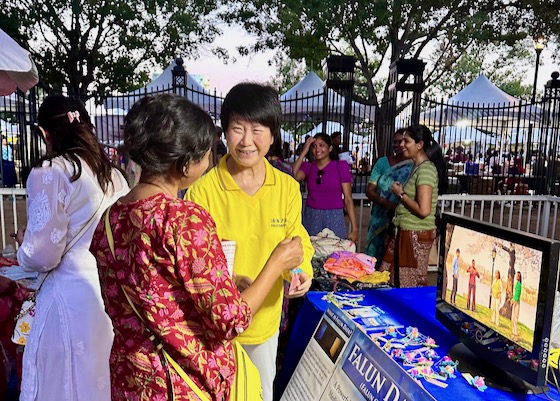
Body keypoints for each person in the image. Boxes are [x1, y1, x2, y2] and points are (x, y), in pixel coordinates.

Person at [90, 94, 304, 401]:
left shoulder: (112, 217)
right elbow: (231, 319)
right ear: (185, 163)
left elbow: (156, 292)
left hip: (132, 376)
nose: (210, 160)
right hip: (180, 383)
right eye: (206, 153)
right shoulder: (182, 219)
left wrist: (228, 283)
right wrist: (276, 263)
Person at [186, 83, 314, 401]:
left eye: (257, 130)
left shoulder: (285, 187)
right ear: (224, 133)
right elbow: (194, 263)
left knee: (259, 393)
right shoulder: (202, 192)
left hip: (264, 324)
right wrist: (229, 280)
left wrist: (301, 271)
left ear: (272, 135)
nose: (246, 141)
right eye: (237, 129)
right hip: (215, 330)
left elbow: (296, 239)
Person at [15, 95, 130, 401]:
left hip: (68, 291)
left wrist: (21, 250)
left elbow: (42, 254)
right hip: (109, 292)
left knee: (66, 383)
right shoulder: (115, 177)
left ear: (44, 133)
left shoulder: (51, 173)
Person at [381, 124, 447, 288]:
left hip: (415, 233)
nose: (402, 145)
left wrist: (400, 194)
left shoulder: (426, 170)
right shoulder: (416, 167)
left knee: (409, 283)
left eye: (406, 141)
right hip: (405, 230)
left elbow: (424, 210)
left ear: (420, 145)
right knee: (390, 277)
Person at [293, 133, 359, 242]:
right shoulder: (308, 167)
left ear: (330, 148)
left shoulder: (340, 166)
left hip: (334, 216)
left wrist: (355, 229)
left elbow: (348, 199)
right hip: (312, 216)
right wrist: (304, 151)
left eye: (321, 145)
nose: (317, 149)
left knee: (334, 254)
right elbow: (293, 176)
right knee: (311, 253)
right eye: (314, 146)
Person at [365, 129, 413, 265]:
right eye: (395, 142)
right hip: (379, 218)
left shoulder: (414, 166)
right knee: (373, 257)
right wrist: (385, 203)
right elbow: (369, 190)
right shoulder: (382, 163)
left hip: (402, 218)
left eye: (402, 141)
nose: (398, 145)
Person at [511, 271, 522, 341]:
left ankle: (516, 335)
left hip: (516, 303)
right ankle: (513, 332)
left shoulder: (519, 285)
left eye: (517, 276)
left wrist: (514, 302)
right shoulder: (517, 284)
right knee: (513, 318)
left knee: (515, 319)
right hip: (515, 301)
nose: (516, 276)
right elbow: (515, 295)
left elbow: (517, 295)